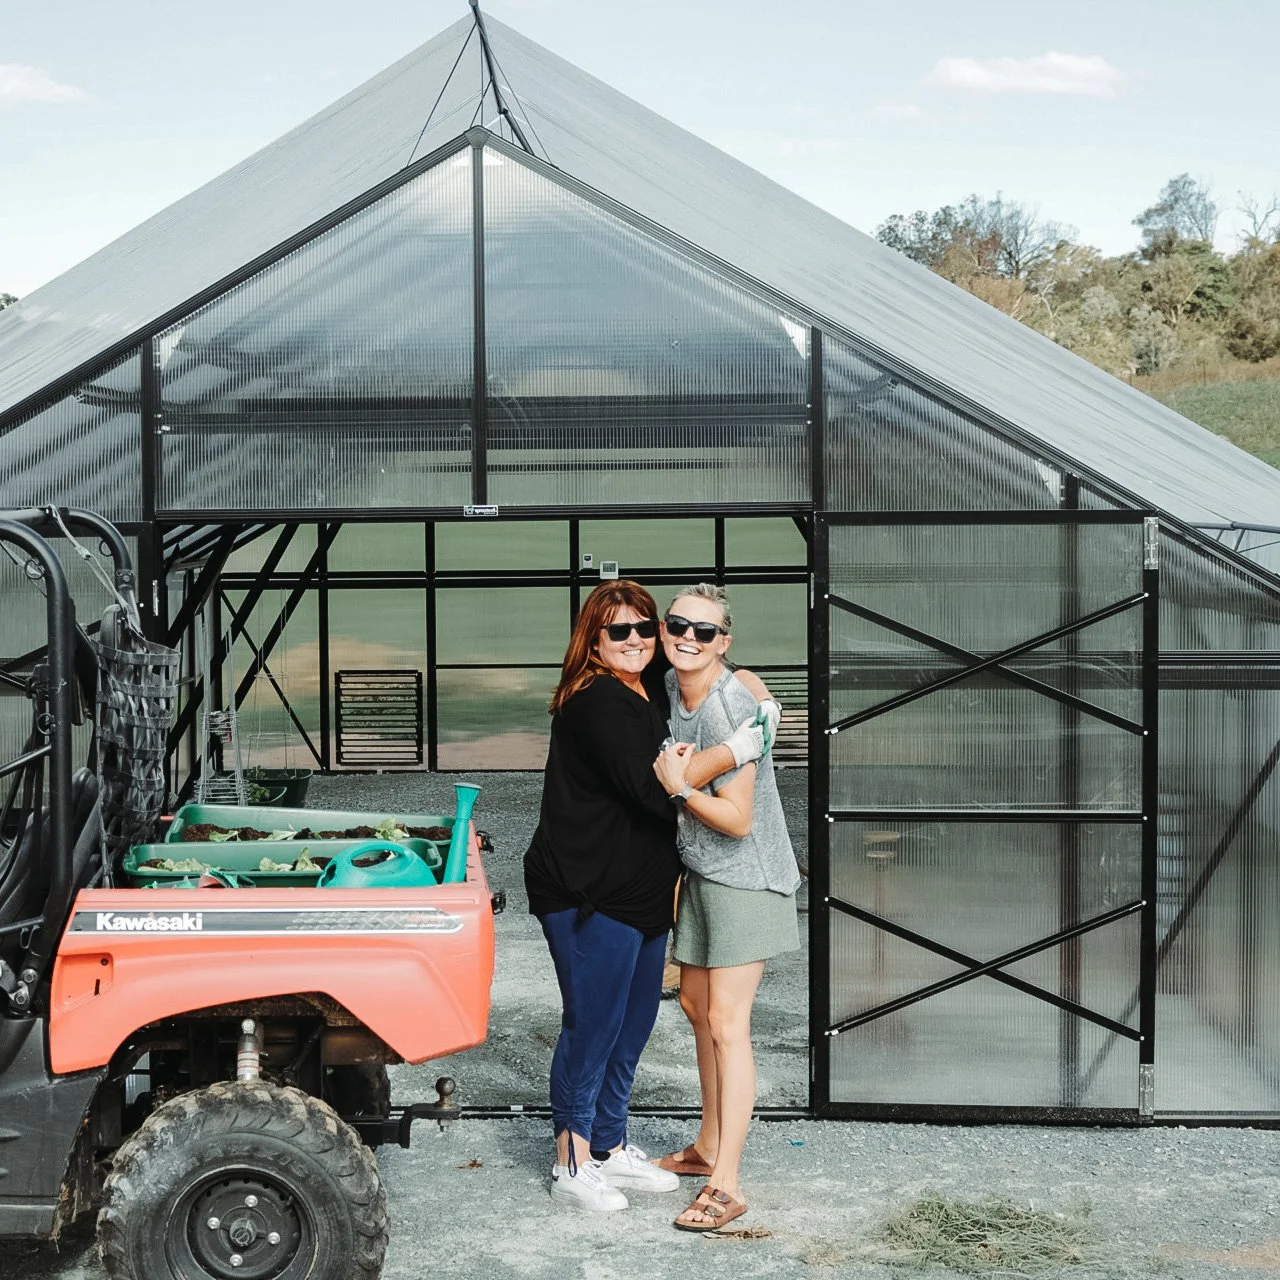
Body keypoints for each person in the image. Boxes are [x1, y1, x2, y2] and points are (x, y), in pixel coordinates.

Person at [523, 580, 772, 1213]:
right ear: (593, 639)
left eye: (644, 627)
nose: (636, 640)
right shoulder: (596, 700)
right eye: (618, 631)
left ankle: (608, 1143)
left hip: (640, 894)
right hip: (587, 892)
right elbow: (650, 786)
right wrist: (736, 749)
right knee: (594, 1024)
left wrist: (762, 714)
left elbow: (731, 669)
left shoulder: (647, 676)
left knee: (632, 1025)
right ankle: (572, 1162)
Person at [652, 583, 800, 1233]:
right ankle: (708, 1143)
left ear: (725, 642)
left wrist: (679, 788)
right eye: (677, 623)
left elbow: (738, 820)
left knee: (726, 1021)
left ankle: (728, 1183)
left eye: (704, 631)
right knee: (693, 1006)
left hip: (748, 877)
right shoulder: (668, 686)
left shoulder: (732, 701)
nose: (688, 637)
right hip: (703, 874)